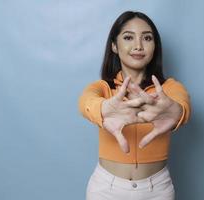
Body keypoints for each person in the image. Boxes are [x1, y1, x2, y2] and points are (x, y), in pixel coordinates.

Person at [78, 10, 191, 200]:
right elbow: (86, 100)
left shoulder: (168, 88)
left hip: (157, 190)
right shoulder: (103, 87)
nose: (138, 45)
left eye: (147, 38)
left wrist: (177, 111)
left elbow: (182, 103)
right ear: (114, 45)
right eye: (128, 37)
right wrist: (102, 109)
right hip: (106, 190)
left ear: (155, 46)